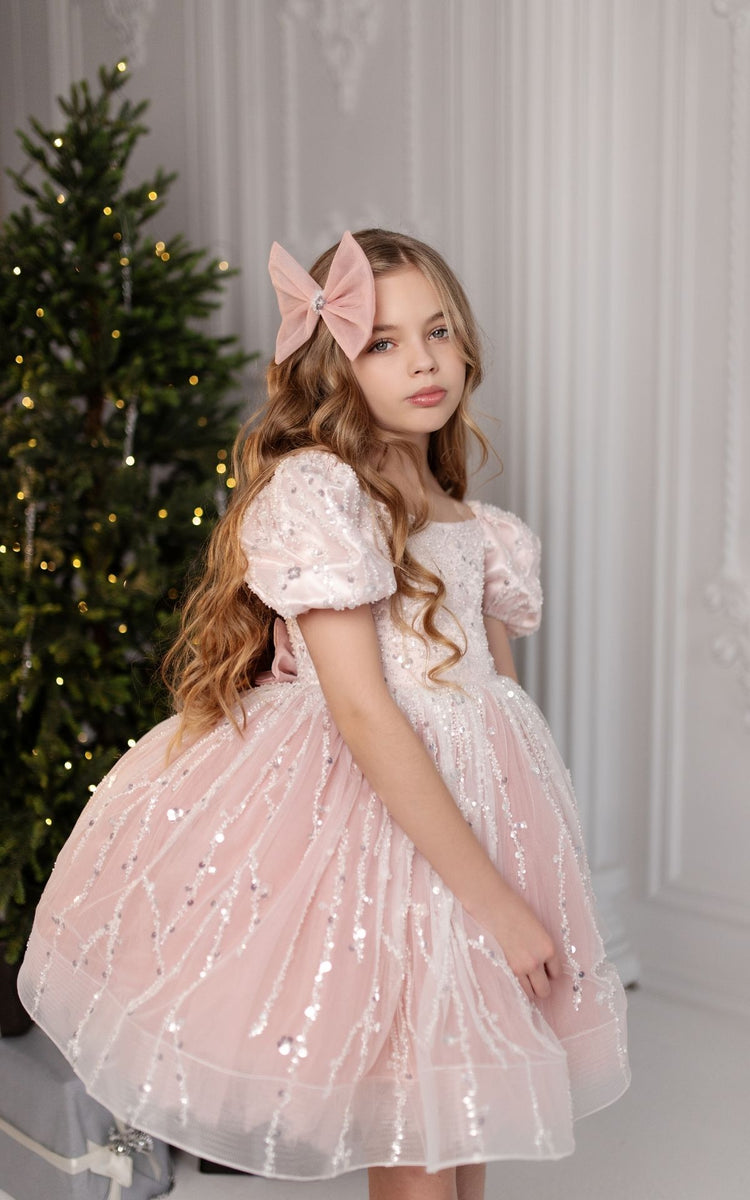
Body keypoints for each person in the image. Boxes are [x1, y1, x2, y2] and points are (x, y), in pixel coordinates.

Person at [19, 229, 630, 1200]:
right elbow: (362, 712)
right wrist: (498, 904)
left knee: (459, 1132)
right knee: (420, 1142)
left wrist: (520, 877)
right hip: (382, 842)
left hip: (470, 835)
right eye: (382, 341)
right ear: (333, 363)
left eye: (438, 331)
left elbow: (504, 715)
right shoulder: (324, 493)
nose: (424, 359)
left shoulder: (480, 527)